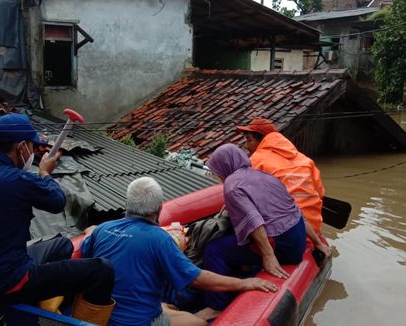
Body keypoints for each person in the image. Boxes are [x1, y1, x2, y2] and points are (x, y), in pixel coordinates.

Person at [0, 113, 115, 325]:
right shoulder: (21, 180)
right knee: (102, 270)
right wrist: (45, 173)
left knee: (61, 245)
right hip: (13, 281)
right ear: (21, 147)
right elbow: (57, 201)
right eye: (30, 145)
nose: (32, 151)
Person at [81, 176, 278, 326]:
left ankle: (161, 307)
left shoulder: (102, 229)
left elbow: (87, 244)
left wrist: (91, 230)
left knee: (165, 303)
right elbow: (198, 279)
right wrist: (244, 283)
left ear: (127, 203)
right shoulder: (159, 239)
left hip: (102, 313)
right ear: (159, 209)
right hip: (139, 321)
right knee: (200, 323)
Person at [203, 144, 307, 315]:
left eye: (217, 171)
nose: (218, 176)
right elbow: (293, 209)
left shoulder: (231, 185)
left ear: (224, 167)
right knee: (235, 242)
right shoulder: (262, 175)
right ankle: (244, 269)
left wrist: (268, 256)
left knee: (214, 250)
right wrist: (316, 241)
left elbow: (253, 219)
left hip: (282, 246)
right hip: (298, 239)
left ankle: (215, 307)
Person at [236, 118, 331, 257]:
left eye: (248, 140)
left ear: (260, 140)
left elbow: (245, 202)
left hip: (284, 234)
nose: (245, 146)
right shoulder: (305, 160)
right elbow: (320, 193)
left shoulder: (256, 161)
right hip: (313, 228)